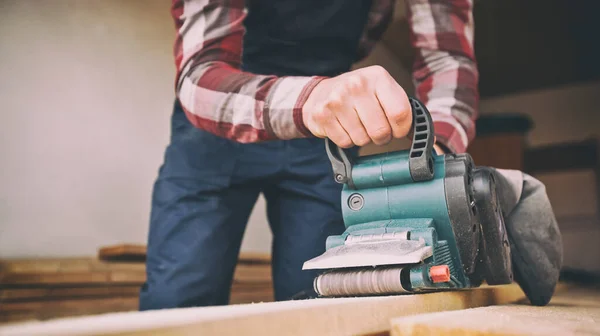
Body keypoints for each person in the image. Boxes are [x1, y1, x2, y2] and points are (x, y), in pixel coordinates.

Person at [139, 0, 562, 310]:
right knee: (177, 298)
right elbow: (199, 75)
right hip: (216, 130)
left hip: (326, 144)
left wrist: (437, 157)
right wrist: (312, 99)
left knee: (323, 305)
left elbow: (446, 59)